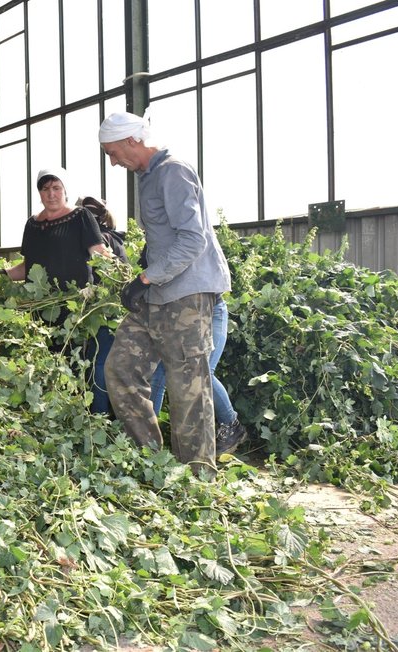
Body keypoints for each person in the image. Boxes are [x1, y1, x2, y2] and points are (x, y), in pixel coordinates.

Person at [98, 111, 234, 475]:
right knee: (121, 366)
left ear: (132, 141)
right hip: (160, 291)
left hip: (187, 294)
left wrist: (145, 279)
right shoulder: (148, 176)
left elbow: (193, 239)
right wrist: (145, 265)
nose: (112, 162)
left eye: (113, 152)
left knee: (187, 384)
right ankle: (151, 459)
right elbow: (166, 235)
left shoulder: (173, 170)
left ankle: (198, 477)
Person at [5, 167, 113, 413]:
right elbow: (27, 267)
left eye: (56, 188)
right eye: (45, 189)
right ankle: (54, 415)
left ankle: (88, 417)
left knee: (79, 365)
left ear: (65, 190)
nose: (51, 194)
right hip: (42, 310)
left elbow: (99, 255)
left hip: (76, 310)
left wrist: (114, 274)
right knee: (48, 364)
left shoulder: (80, 217)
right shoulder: (32, 225)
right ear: (39, 192)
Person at [149, 295, 248, 454]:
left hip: (211, 313)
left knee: (204, 372)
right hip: (174, 317)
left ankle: (231, 425)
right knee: (160, 372)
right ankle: (149, 436)